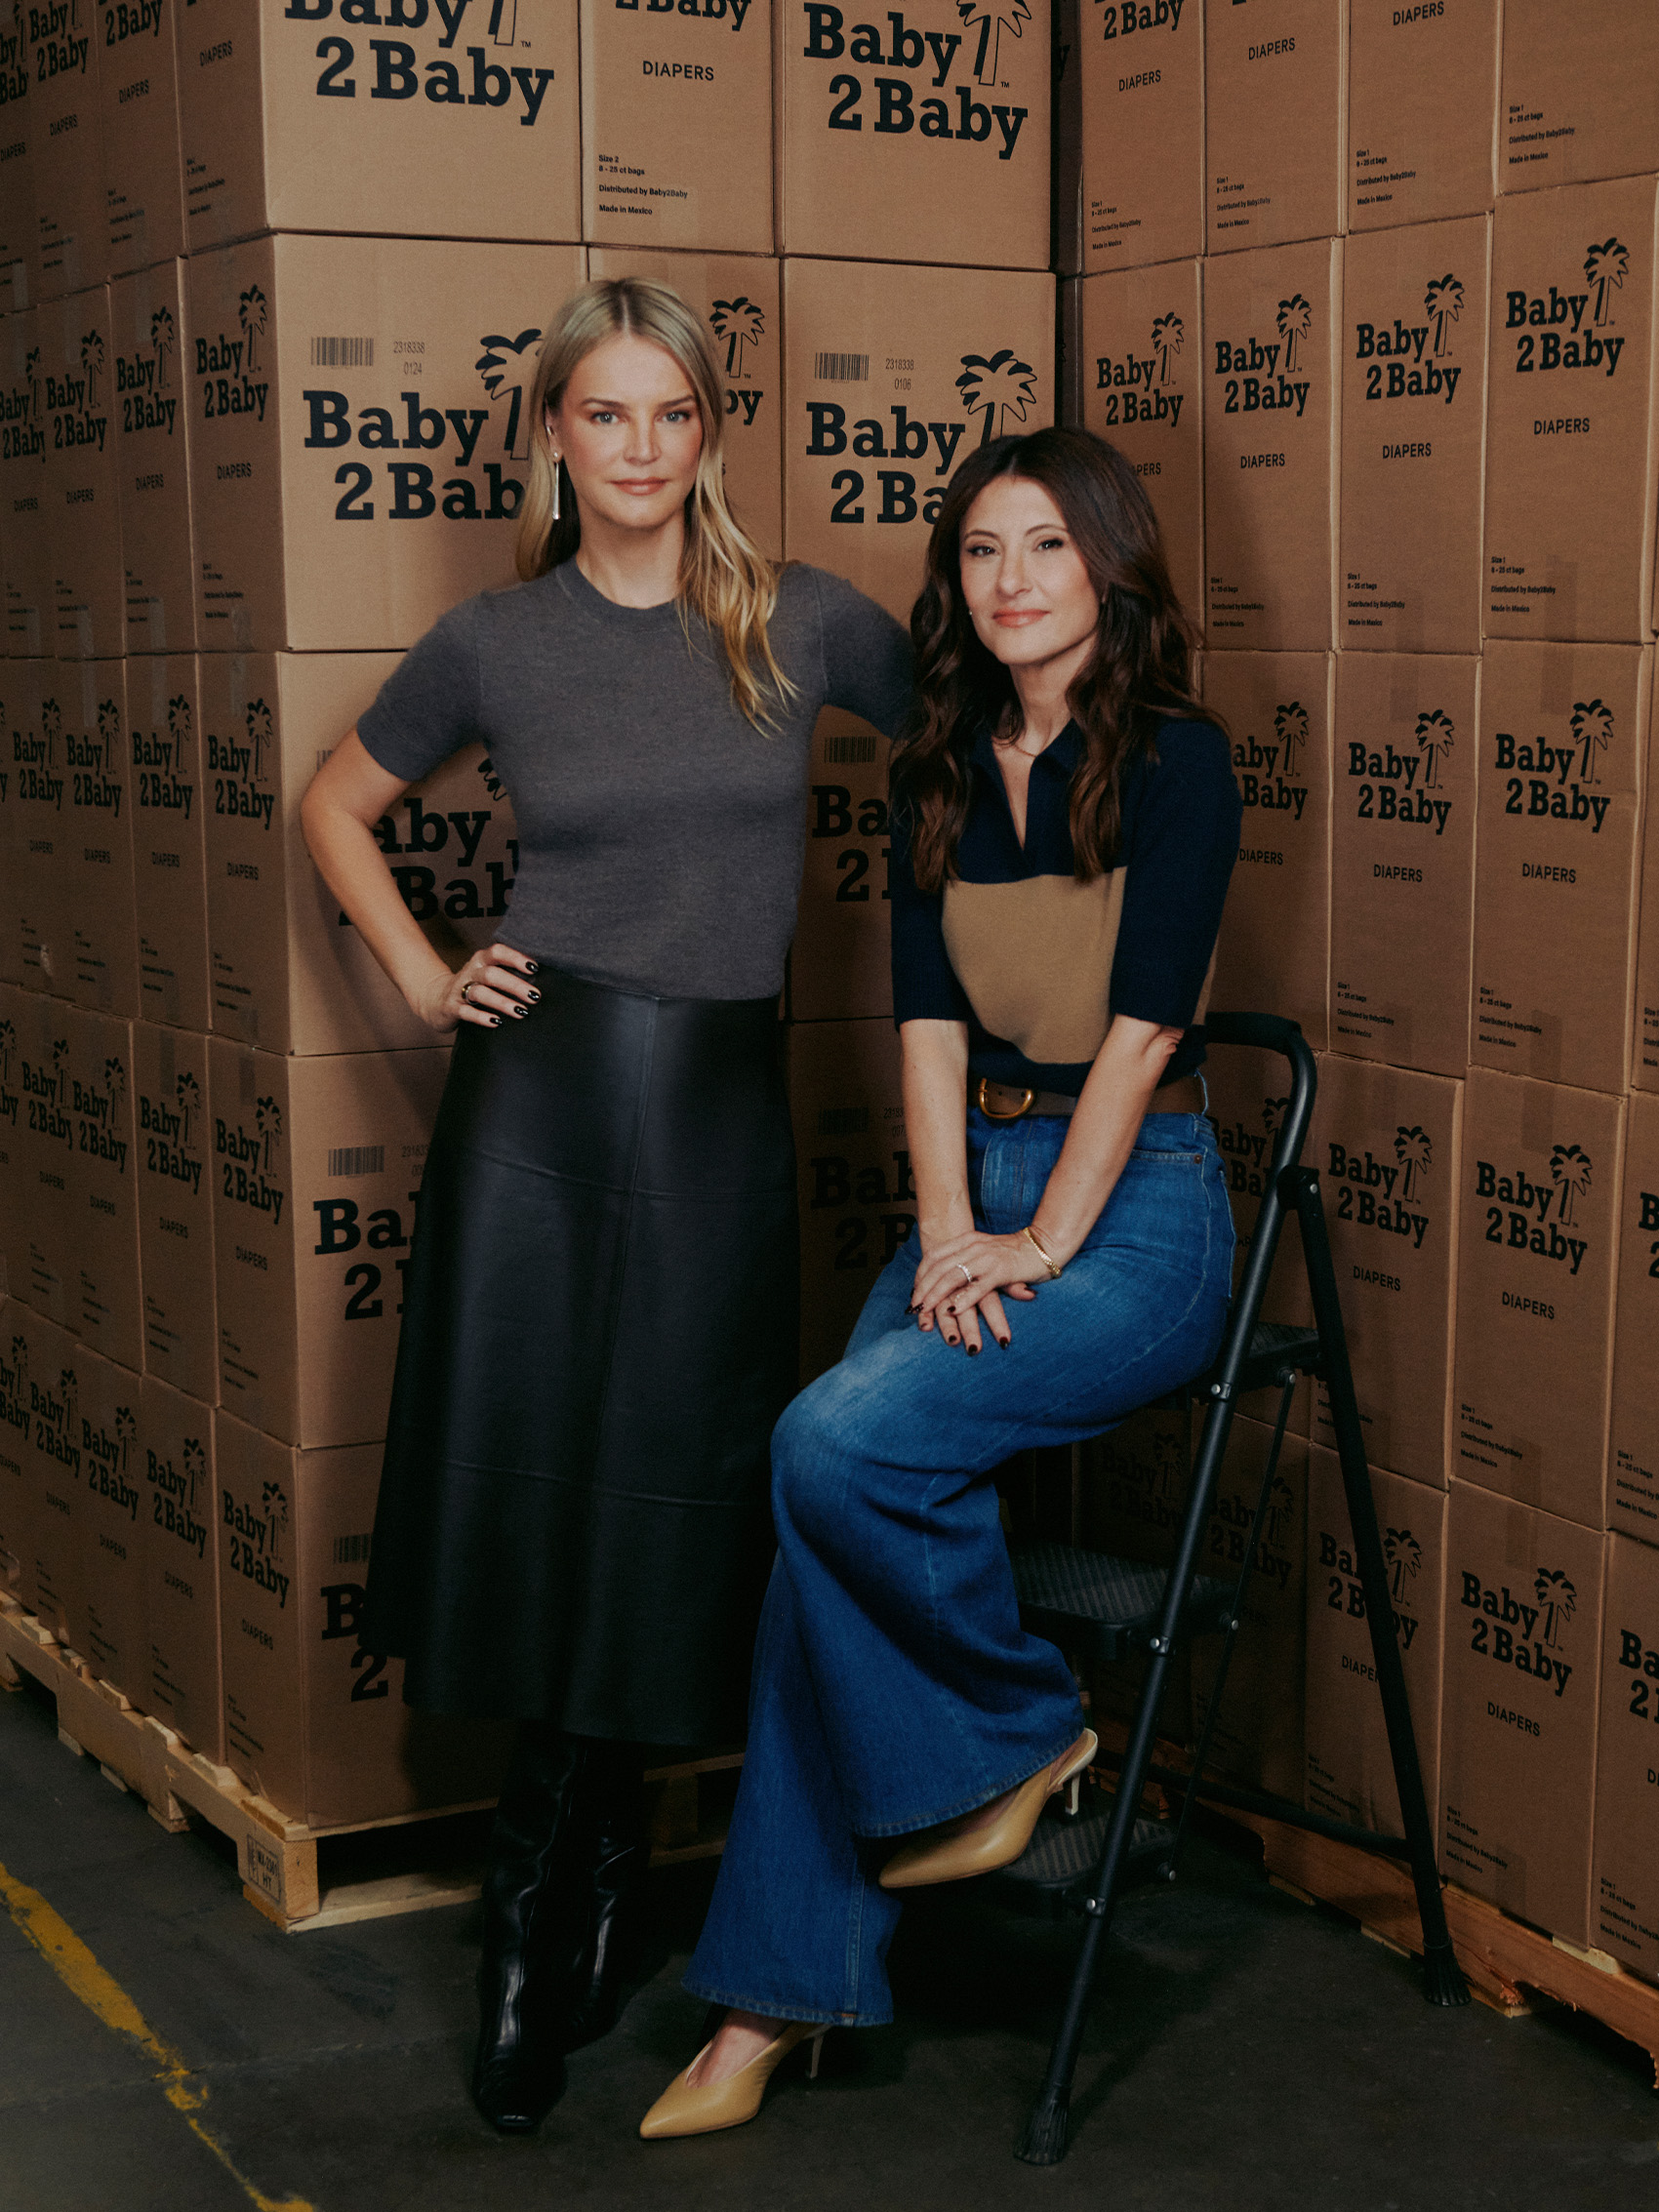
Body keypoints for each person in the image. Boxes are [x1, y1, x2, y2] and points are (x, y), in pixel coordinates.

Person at [299, 278, 912, 2135]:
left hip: (723, 1103)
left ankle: (585, 1887)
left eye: (673, 417)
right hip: (541, 1099)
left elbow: (984, 727)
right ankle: (528, 1926)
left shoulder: (800, 620)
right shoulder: (492, 641)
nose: (640, 450)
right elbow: (335, 800)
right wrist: (423, 973)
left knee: (677, 1489)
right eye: (604, 417)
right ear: (554, 438)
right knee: (532, 1487)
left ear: (709, 435)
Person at [636, 424, 1242, 2140]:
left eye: (1044, 546)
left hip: (1138, 1212)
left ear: (1109, 564)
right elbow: (920, 1031)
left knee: (829, 1453)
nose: (1011, 582)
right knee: (816, 1532)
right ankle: (779, 1991)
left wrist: (1040, 1243)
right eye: (981, 553)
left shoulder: (1183, 764)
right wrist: (950, 1229)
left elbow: (1144, 1033)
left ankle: (1009, 1733)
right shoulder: (938, 765)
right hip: (969, 1192)